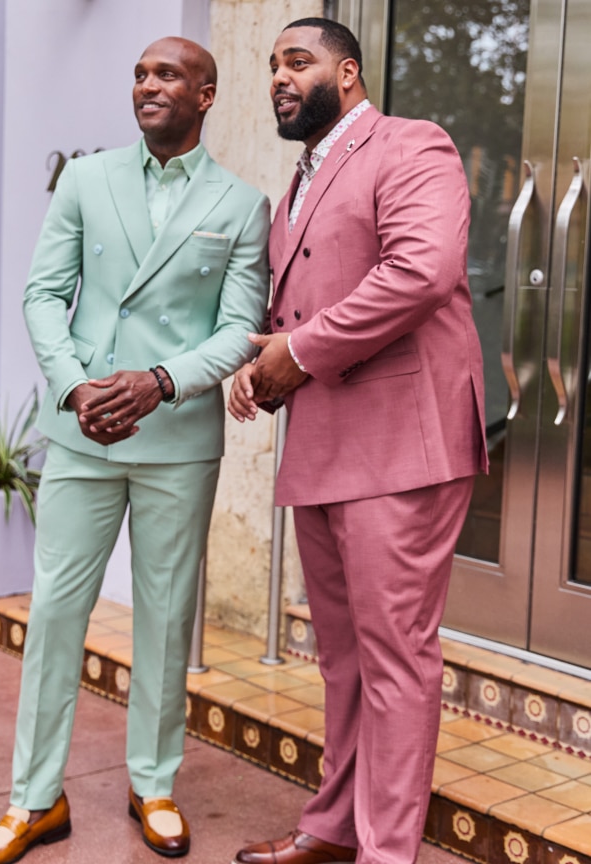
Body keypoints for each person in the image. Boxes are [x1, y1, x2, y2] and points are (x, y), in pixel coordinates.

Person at [0, 36, 270, 864]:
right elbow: (43, 293)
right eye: (139, 74)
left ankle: (154, 783)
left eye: (167, 74)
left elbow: (242, 328)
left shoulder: (242, 204)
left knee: (166, 620)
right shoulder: (87, 179)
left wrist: (161, 381)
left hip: (175, 438)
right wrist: (74, 388)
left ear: (206, 94)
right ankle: (34, 800)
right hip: (83, 430)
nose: (147, 86)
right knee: (56, 614)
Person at [228, 17, 486, 864]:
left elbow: (420, 271)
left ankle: (386, 853)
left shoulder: (412, 145)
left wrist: (296, 354)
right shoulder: (302, 176)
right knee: (343, 657)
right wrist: (259, 361)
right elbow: (302, 308)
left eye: (296, 62)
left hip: (401, 444)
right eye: (271, 65)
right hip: (326, 445)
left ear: (348, 71)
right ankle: (336, 827)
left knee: (395, 657)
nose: (278, 77)